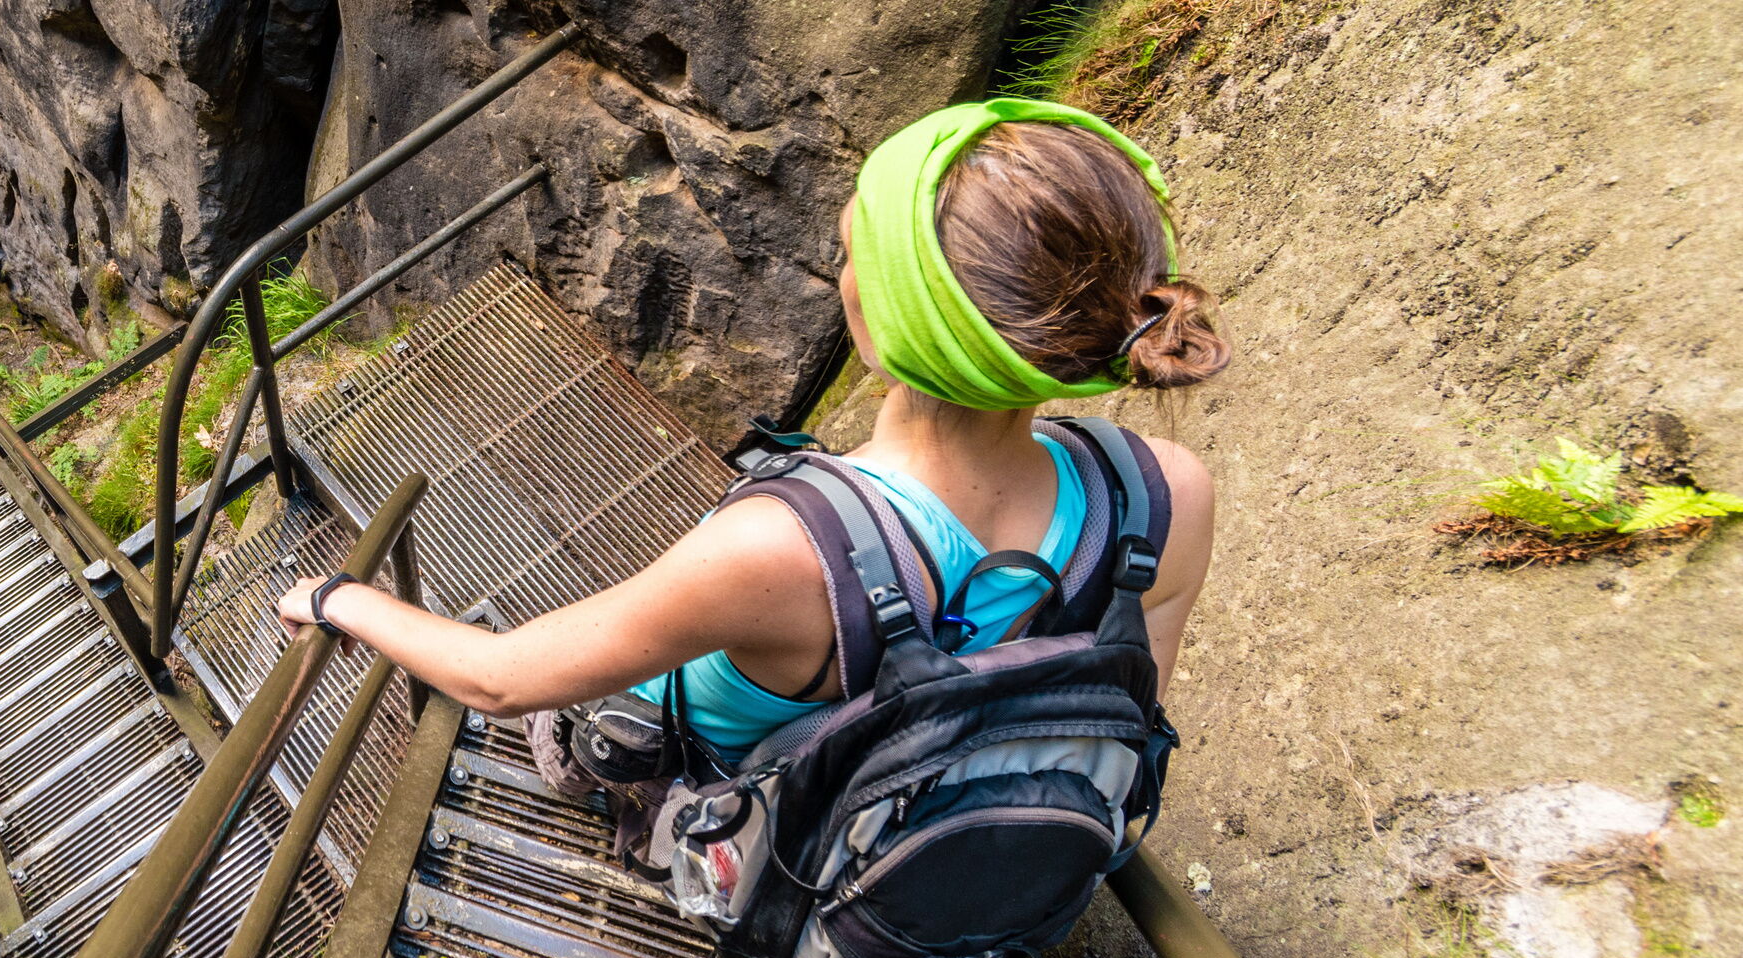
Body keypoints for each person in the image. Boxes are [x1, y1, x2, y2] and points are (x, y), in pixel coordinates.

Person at [274, 100, 1226, 773]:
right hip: (941, 785)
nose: (839, 264)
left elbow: (498, 679)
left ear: (888, 324)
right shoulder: (1164, 495)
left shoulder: (780, 549)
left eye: (853, 254)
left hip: (754, 783)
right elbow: (1122, 712)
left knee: (579, 725)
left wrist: (341, 597)